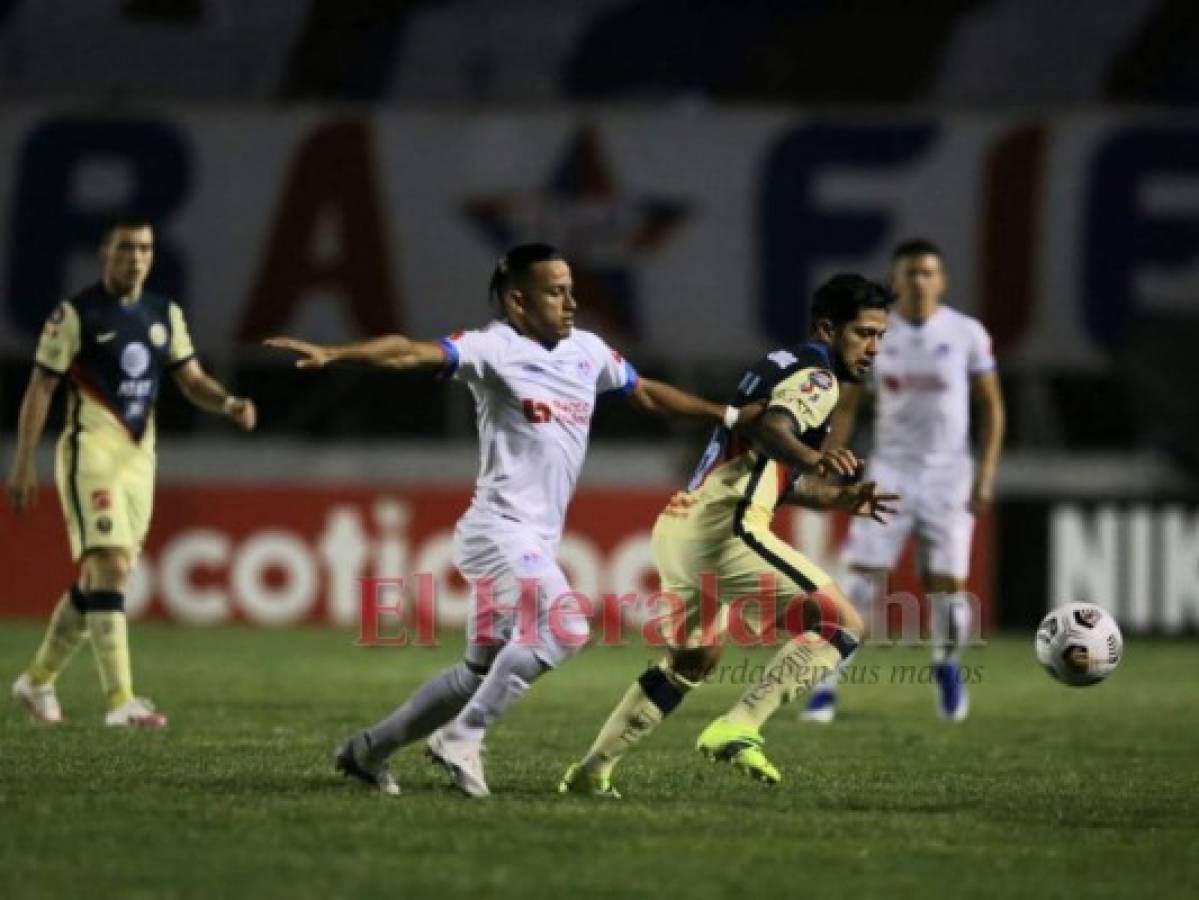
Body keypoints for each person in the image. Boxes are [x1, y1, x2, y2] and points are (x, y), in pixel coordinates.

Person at [265, 242, 756, 797]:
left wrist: (730, 415)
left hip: (533, 540)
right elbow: (408, 352)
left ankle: (367, 751)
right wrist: (338, 354)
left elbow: (643, 393)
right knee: (567, 627)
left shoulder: (588, 351)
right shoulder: (492, 348)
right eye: (556, 292)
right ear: (518, 302)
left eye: (572, 289)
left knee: (474, 674)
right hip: (496, 530)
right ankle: (463, 737)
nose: (571, 302)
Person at [560, 273, 894, 796]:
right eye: (864, 333)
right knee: (843, 625)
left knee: (692, 659)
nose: (874, 348)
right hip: (726, 529)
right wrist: (816, 456)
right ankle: (739, 725)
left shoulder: (781, 364)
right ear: (828, 328)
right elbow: (772, 429)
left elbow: (765, 464)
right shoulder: (819, 378)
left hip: (680, 526)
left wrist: (833, 497)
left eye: (880, 336)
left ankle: (591, 770)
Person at [7, 215, 257, 728]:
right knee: (113, 567)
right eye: (126, 248)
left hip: (139, 460)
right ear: (105, 255)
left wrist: (229, 402)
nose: (136, 257)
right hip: (91, 451)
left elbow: (190, 377)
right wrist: (22, 463)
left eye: (144, 248)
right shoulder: (75, 315)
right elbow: (41, 388)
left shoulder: (163, 313)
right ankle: (121, 700)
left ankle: (36, 681)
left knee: (101, 576)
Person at [802, 239, 1005, 723]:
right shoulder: (877, 333)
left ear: (942, 280)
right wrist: (825, 463)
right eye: (910, 272)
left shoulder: (966, 334)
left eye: (928, 272)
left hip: (949, 474)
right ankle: (827, 683)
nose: (919, 281)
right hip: (890, 470)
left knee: (948, 588)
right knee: (860, 582)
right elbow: (848, 405)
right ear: (895, 281)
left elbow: (992, 407)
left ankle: (946, 666)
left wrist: (986, 475)